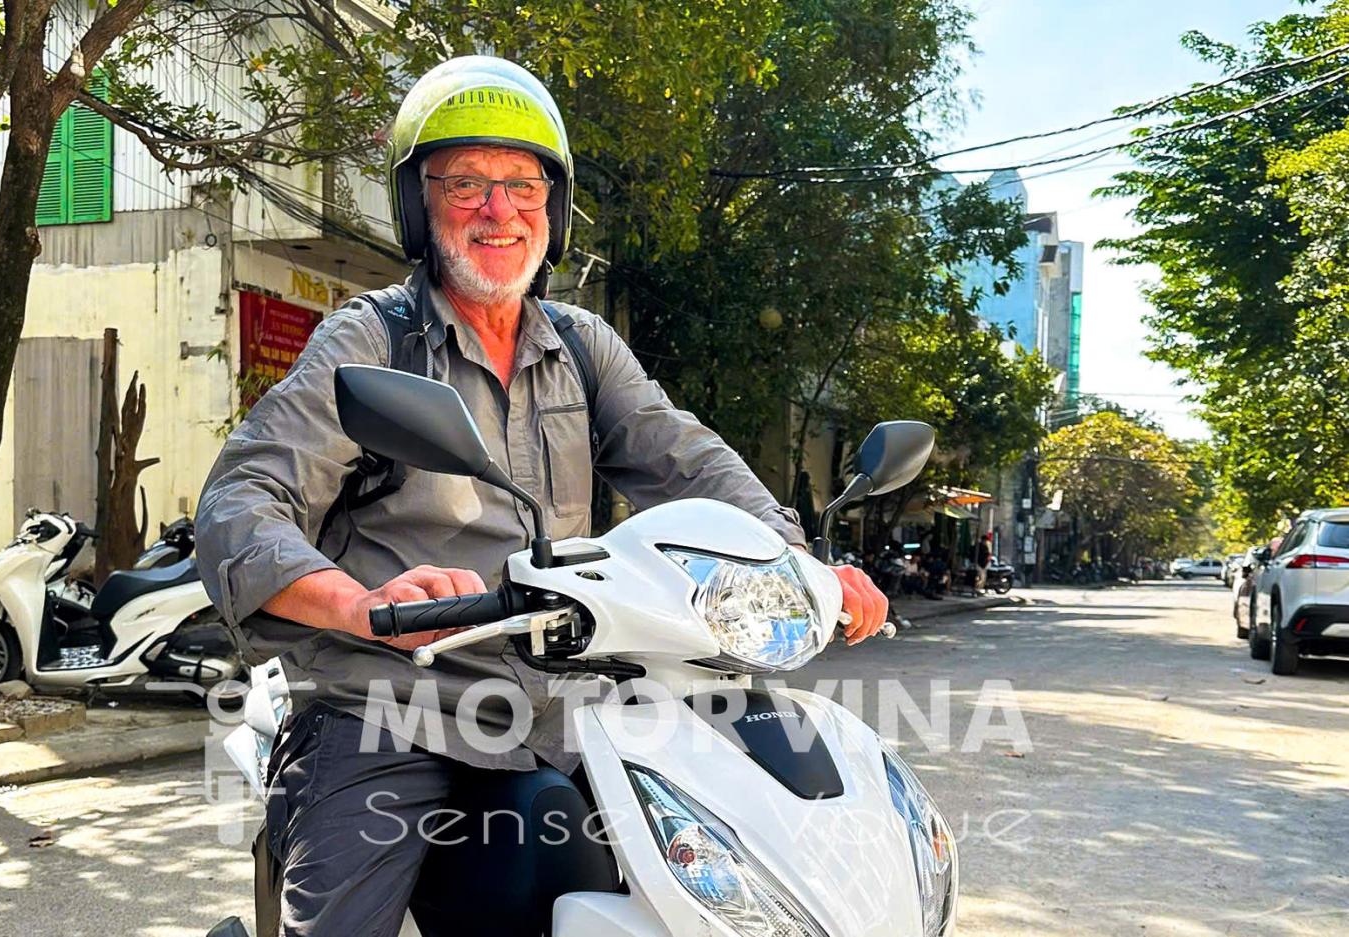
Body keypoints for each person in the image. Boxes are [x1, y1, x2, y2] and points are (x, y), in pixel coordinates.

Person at [194, 56, 889, 937]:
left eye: (522, 186)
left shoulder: (582, 347)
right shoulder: (371, 342)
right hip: (386, 713)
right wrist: (365, 605)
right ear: (420, 205)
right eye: (467, 183)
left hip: (564, 714)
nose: (498, 211)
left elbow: (688, 460)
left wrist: (800, 564)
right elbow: (240, 503)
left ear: (552, 211)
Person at [974, 531, 994, 595]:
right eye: (985, 541)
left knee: (982, 578)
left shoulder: (983, 546)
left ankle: (978, 589)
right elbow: (983, 555)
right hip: (980, 564)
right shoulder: (980, 547)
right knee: (981, 578)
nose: (986, 542)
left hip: (982, 565)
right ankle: (977, 589)